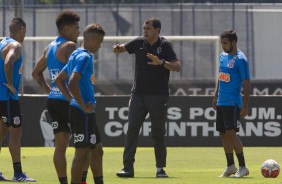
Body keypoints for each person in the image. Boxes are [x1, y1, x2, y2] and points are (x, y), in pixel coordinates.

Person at [113, 17, 181, 178]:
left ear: (157, 30)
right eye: (144, 28)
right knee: (131, 130)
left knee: (158, 133)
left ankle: (160, 169)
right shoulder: (138, 42)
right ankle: (127, 168)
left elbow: (177, 67)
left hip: (159, 96)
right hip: (137, 95)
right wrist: (117, 48)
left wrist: (162, 63)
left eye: (148, 29)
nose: (144, 31)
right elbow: (123, 48)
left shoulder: (165, 45)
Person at [32, 10, 89, 184]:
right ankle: (82, 181)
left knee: (60, 145)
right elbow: (74, 78)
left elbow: (35, 73)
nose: (78, 32)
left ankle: (63, 182)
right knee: (85, 145)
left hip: (54, 101)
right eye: (76, 28)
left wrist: (50, 90)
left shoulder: (49, 47)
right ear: (67, 28)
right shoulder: (71, 47)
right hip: (70, 101)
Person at [55, 23, 105, 184]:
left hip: (84, 112)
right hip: (82, 112)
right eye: (100, 42)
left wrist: (73, 101)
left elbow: (58, 80)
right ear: (92, 39)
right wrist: (81, 104)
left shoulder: (75, 55)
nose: (100, 45)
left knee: (97, 150)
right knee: (82, 153)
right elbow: (71, 82)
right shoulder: (84, 57)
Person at [0, 17, 36, 182]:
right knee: (16, 133)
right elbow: (8, 62)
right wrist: (10, 83)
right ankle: (18, 174)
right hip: (7, 97)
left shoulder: (2, 42)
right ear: (22, 29)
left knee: (1, 133)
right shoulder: (15, 45)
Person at [212, 29, 250, 178]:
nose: (223, 46)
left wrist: (245, 105)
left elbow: (247, 83)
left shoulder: (241, 59)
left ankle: (243, 167)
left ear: (233, 42)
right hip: (221, 101)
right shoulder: (222, 56)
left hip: (232, 102)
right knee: (222, 134)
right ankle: (230, 166)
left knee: (231, 134)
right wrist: (215, 97)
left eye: (225, 43)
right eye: (222, 43)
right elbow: (221, 78)